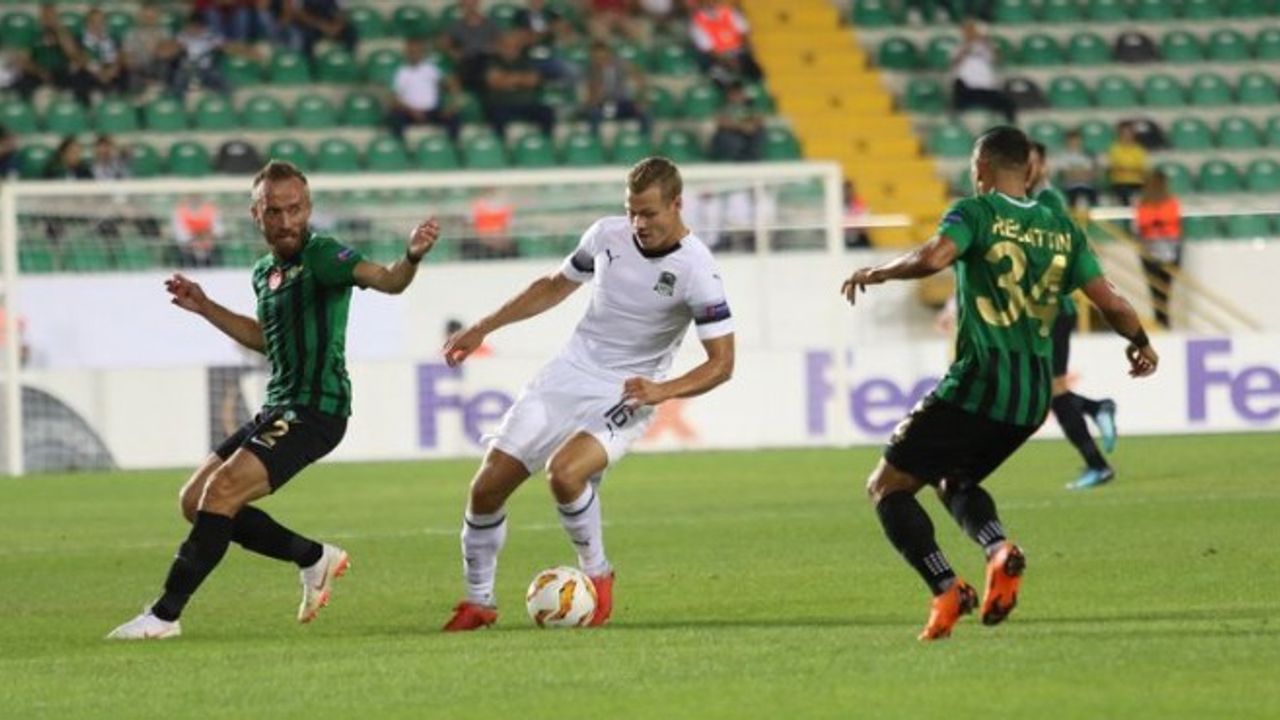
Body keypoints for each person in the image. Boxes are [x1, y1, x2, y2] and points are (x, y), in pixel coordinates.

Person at [840, 126, 1157, 641]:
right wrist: (1141, 341)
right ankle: (998, 549)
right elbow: (1112, 301)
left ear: (982, 169)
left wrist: (878, 272)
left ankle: (947, 589)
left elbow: (934, 257)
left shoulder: (976, 212)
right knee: (954, 479)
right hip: (1032, 396)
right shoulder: (1063, 229)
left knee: (886, 487)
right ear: (1028, 169)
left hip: (980, 380)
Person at [106, 161, 440, 640]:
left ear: (308, 208)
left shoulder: (323, 255)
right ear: (255, 214)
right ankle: (313, 558)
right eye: (274, 211)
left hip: (316, 409)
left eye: (295, 209)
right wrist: (205, 307)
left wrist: (411, 255)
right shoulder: (265, 273)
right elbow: (266, 339)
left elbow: (389, 280)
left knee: (221, 493)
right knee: (194, 501)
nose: (286, 221)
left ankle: (164, 615)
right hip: (278, 406)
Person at [440, 157, 735, 631]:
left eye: (649, 213)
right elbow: (554, 286)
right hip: (568, 373)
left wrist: (661, 390)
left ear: (677, 204)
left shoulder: (698, 270)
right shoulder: (605, 235)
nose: (638, 224)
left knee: (565, 473)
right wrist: (484, 327)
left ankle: (598, 573)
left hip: (627, 390)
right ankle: (479, 602)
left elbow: (722, 364)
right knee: (486, 487)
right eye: (632, 212)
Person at [1027, 142, 1118, 491]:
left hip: (1052, 311)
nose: (1026, 169)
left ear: (1044, 167)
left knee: (1051, 391)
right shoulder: (1029, 201)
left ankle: (1098, 464)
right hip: (1040, 313)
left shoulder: (1048, 201)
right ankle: (1096, 409)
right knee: (1045, 391)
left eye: (1032, 162)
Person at [387, 36, 462, 142]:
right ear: (406, 53)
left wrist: (452, 105)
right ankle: (400, 147)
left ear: (422, 53)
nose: (414, 54)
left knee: (454, 117)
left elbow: (451, 85)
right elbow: (394, 99)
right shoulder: (401, 72)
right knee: (395, 118)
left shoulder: (431, 69)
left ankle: (453, 147)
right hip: (409, 112)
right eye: (411, 52)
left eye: (417, 51)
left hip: (432, 111)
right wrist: (411, 111)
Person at [1134, 168, 1181, 329]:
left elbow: (1170, 221)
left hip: (1169, 249)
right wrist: (1158, 223)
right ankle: (1159, 320)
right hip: (1150, 249)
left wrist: (1156, 223)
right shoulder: (1143, 203)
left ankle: (1164, 320)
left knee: (1165, 288)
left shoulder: (1171, 202)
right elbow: (1143, 222)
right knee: (1154, 287)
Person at [949, 19, 1015, 124]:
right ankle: (955, 125)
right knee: (956, 101)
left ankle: (1010, 126)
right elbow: (954, 63)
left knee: (1007, 104)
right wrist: (967, 47)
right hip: (966, 87)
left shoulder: (986, 48)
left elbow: (997, 59)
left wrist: (986, 42)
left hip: (985, 88)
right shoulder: (958, 47)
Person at [1107, 122, 1147, 206]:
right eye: (1124, 133)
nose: (1127, 136)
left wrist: (1126, 168)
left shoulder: (1138, 149)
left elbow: (1141, 167)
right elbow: (1115, 166)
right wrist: (1131, 168)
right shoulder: (1114, 148)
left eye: (1129, 133)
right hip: (1119, 181)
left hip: (1137, 182)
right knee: (1123, 192)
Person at [1057, 129, 1098, 210]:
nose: (1074, 143)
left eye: (1076, 140)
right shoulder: (1063, 156)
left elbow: (1093, 174)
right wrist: (1082, 173)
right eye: (1071, 141)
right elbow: (1066, 175)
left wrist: (1075, 173)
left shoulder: (1088, 154)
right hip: (1070, 187)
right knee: (1072, 201)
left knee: (1094, 200)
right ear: (1067, 142)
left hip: (1087, 186)